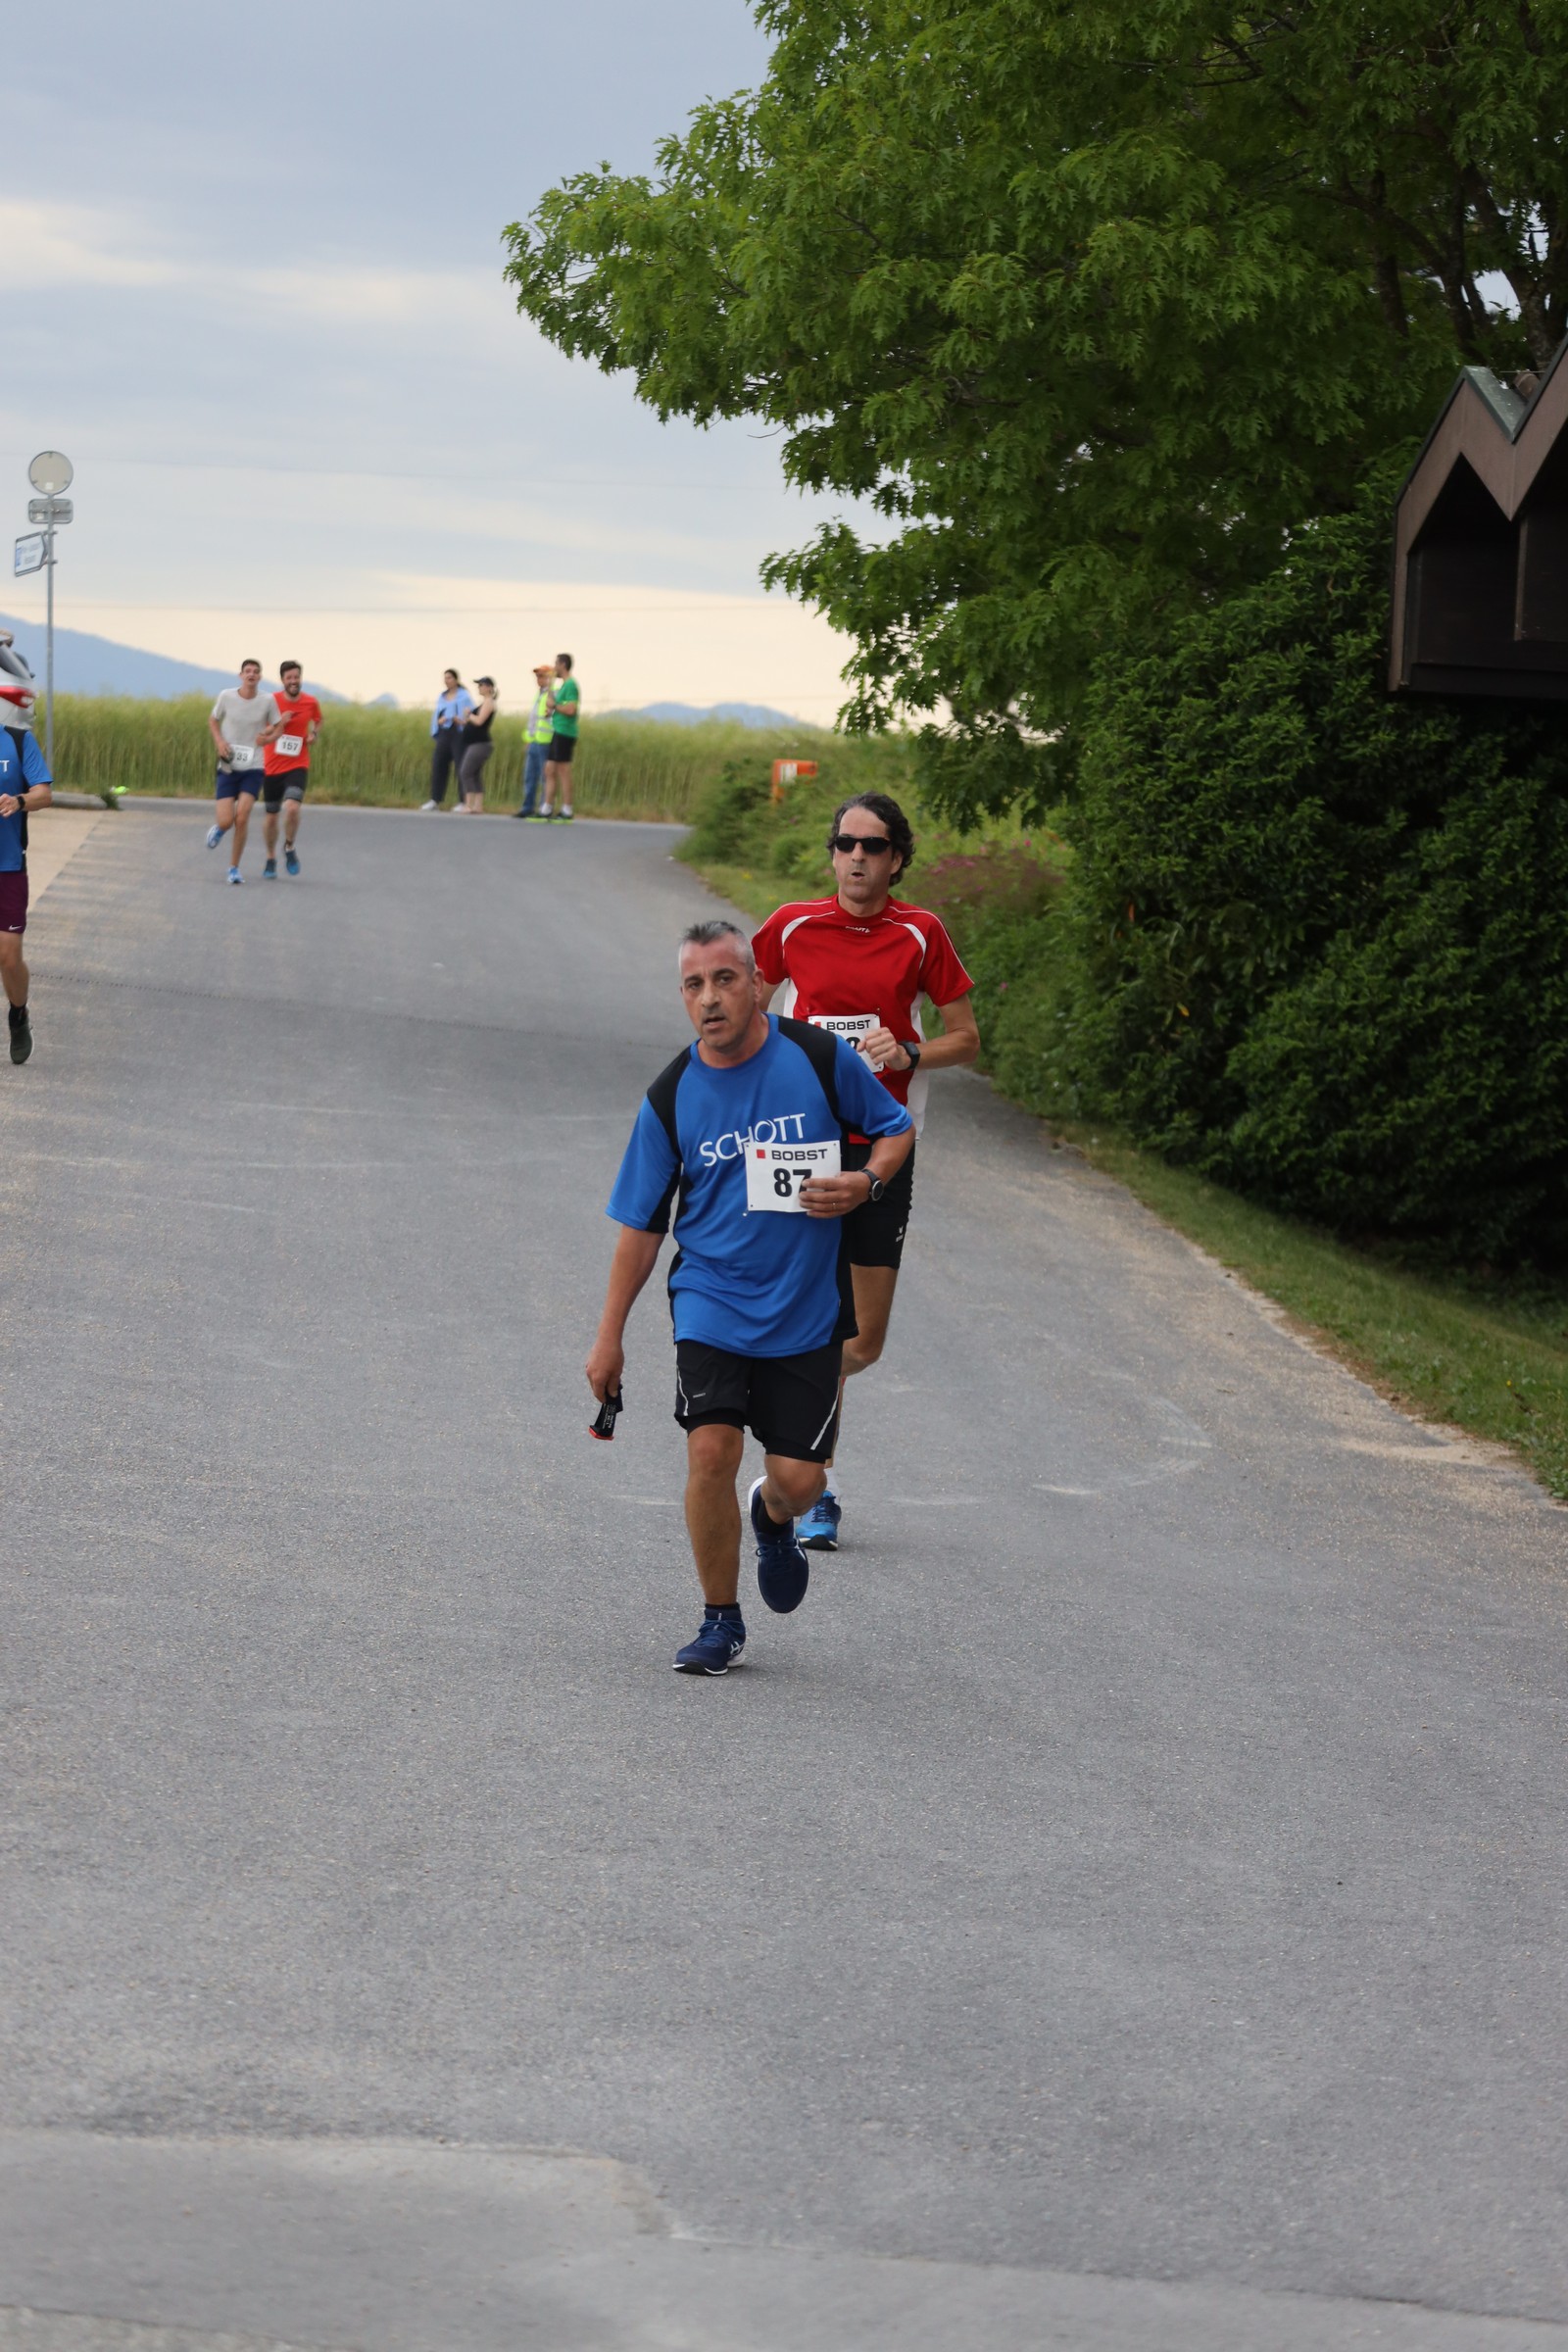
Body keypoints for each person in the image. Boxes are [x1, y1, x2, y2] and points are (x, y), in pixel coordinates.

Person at [587, 918, 914, 1674]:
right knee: (710, 1451)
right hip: (712, 1298)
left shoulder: (818, 1058)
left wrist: (866, 1182)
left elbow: (895, 1129)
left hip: (806, 1305)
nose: (710, 998)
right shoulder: (671, 1097)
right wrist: (609, 1337)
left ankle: (772, 1515)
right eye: (694, 985)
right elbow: (641, 1228)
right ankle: (720, 1621)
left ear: (758, 985)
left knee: (800, 1481)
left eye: (725, 979)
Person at [752, 792, 979, 1551]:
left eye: (873, 846)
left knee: (861, 1340)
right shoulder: (792, 925)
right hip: (801, 1144)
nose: (856, 856)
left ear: (896, 859)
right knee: (807, 1316)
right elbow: (741, 1013)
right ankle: (812, 1485)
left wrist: (910, 1051)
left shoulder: (920, 932)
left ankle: (789, 1413)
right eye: (845, 843)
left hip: (884, 1146)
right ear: (832, 853)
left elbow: (966, 1038)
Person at [0, 682, 54, 1065]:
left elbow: (44, 794)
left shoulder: (18, 741)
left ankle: (18, 1014)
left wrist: (19, 800)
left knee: (8, 957)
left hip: (7, 865)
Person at [205, 659, 278, 883]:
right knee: (227, 820)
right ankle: (220, 829)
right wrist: (219, 742)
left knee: (243, 816)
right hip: (228, 765)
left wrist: (267, 739)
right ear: (241, 675)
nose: (251, 675)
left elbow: (278, 728)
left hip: (254, 766)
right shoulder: (227, 696)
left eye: (255, 671)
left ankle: (234, 869)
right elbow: (213, 720)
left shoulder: (268, 700)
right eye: (247, 671)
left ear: (260, 677)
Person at [259, 661, 322, 879]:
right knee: (271, 817)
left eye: (296, 677)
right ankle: (270, 858)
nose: (294, 681)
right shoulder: (271, 701)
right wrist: (280, 724)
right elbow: (261, 732)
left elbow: (318, 720)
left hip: (298, 764)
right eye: (289, 678)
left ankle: (289, 846)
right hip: (272, 767)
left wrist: (314, 734)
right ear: (282, 680)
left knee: (293, 808)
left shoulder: (310, 702)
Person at [422, 670, 473, 810]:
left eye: (449, 678)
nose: (447, 680)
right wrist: (439, 721)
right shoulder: (442, 697)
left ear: (456, 679)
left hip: (458, 732)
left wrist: (461, 720)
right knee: (438, 764)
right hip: (444, 732)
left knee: (460, 766)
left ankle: (463, 801)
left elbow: (471, 715)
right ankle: (435, 799)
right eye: (445, 678)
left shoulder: (464, 696)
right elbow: (437, 715)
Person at [540, 651, 578, 820]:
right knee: (549, 769)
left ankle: (567, 809)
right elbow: (553, 704)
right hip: (558, 729)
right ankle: (547, 807)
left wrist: (555, 706)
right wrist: (550, 686)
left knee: (563, 770)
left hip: (565, 731)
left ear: (563, 664)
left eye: (556, 664)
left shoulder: (571, 685)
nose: (554, 667)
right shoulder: (562, 685)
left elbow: (571, 709)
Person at [513, 664, 554, 817]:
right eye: (537, 676)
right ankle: (527, 807)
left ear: (550, 677)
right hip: (535, 741)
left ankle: (544, 807)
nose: (538, 679)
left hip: (546, 741)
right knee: (529, 776)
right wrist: (528, 740)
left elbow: (552, 718)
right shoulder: (539, 695)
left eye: (542, 676)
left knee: (545, 777)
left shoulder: (553, 694)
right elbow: (533, 721)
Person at [456, 677, 498, 812]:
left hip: (480, 743)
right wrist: (463, 721)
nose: (479, 687)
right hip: (475, 742)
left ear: (489, 687)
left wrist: (468, 714)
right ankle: (478, 806)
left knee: (465, 772)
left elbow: (479, 721)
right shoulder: (484, 703)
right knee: (474, 774)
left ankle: (469, 804)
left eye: (481, 685)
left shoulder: (489, 702)